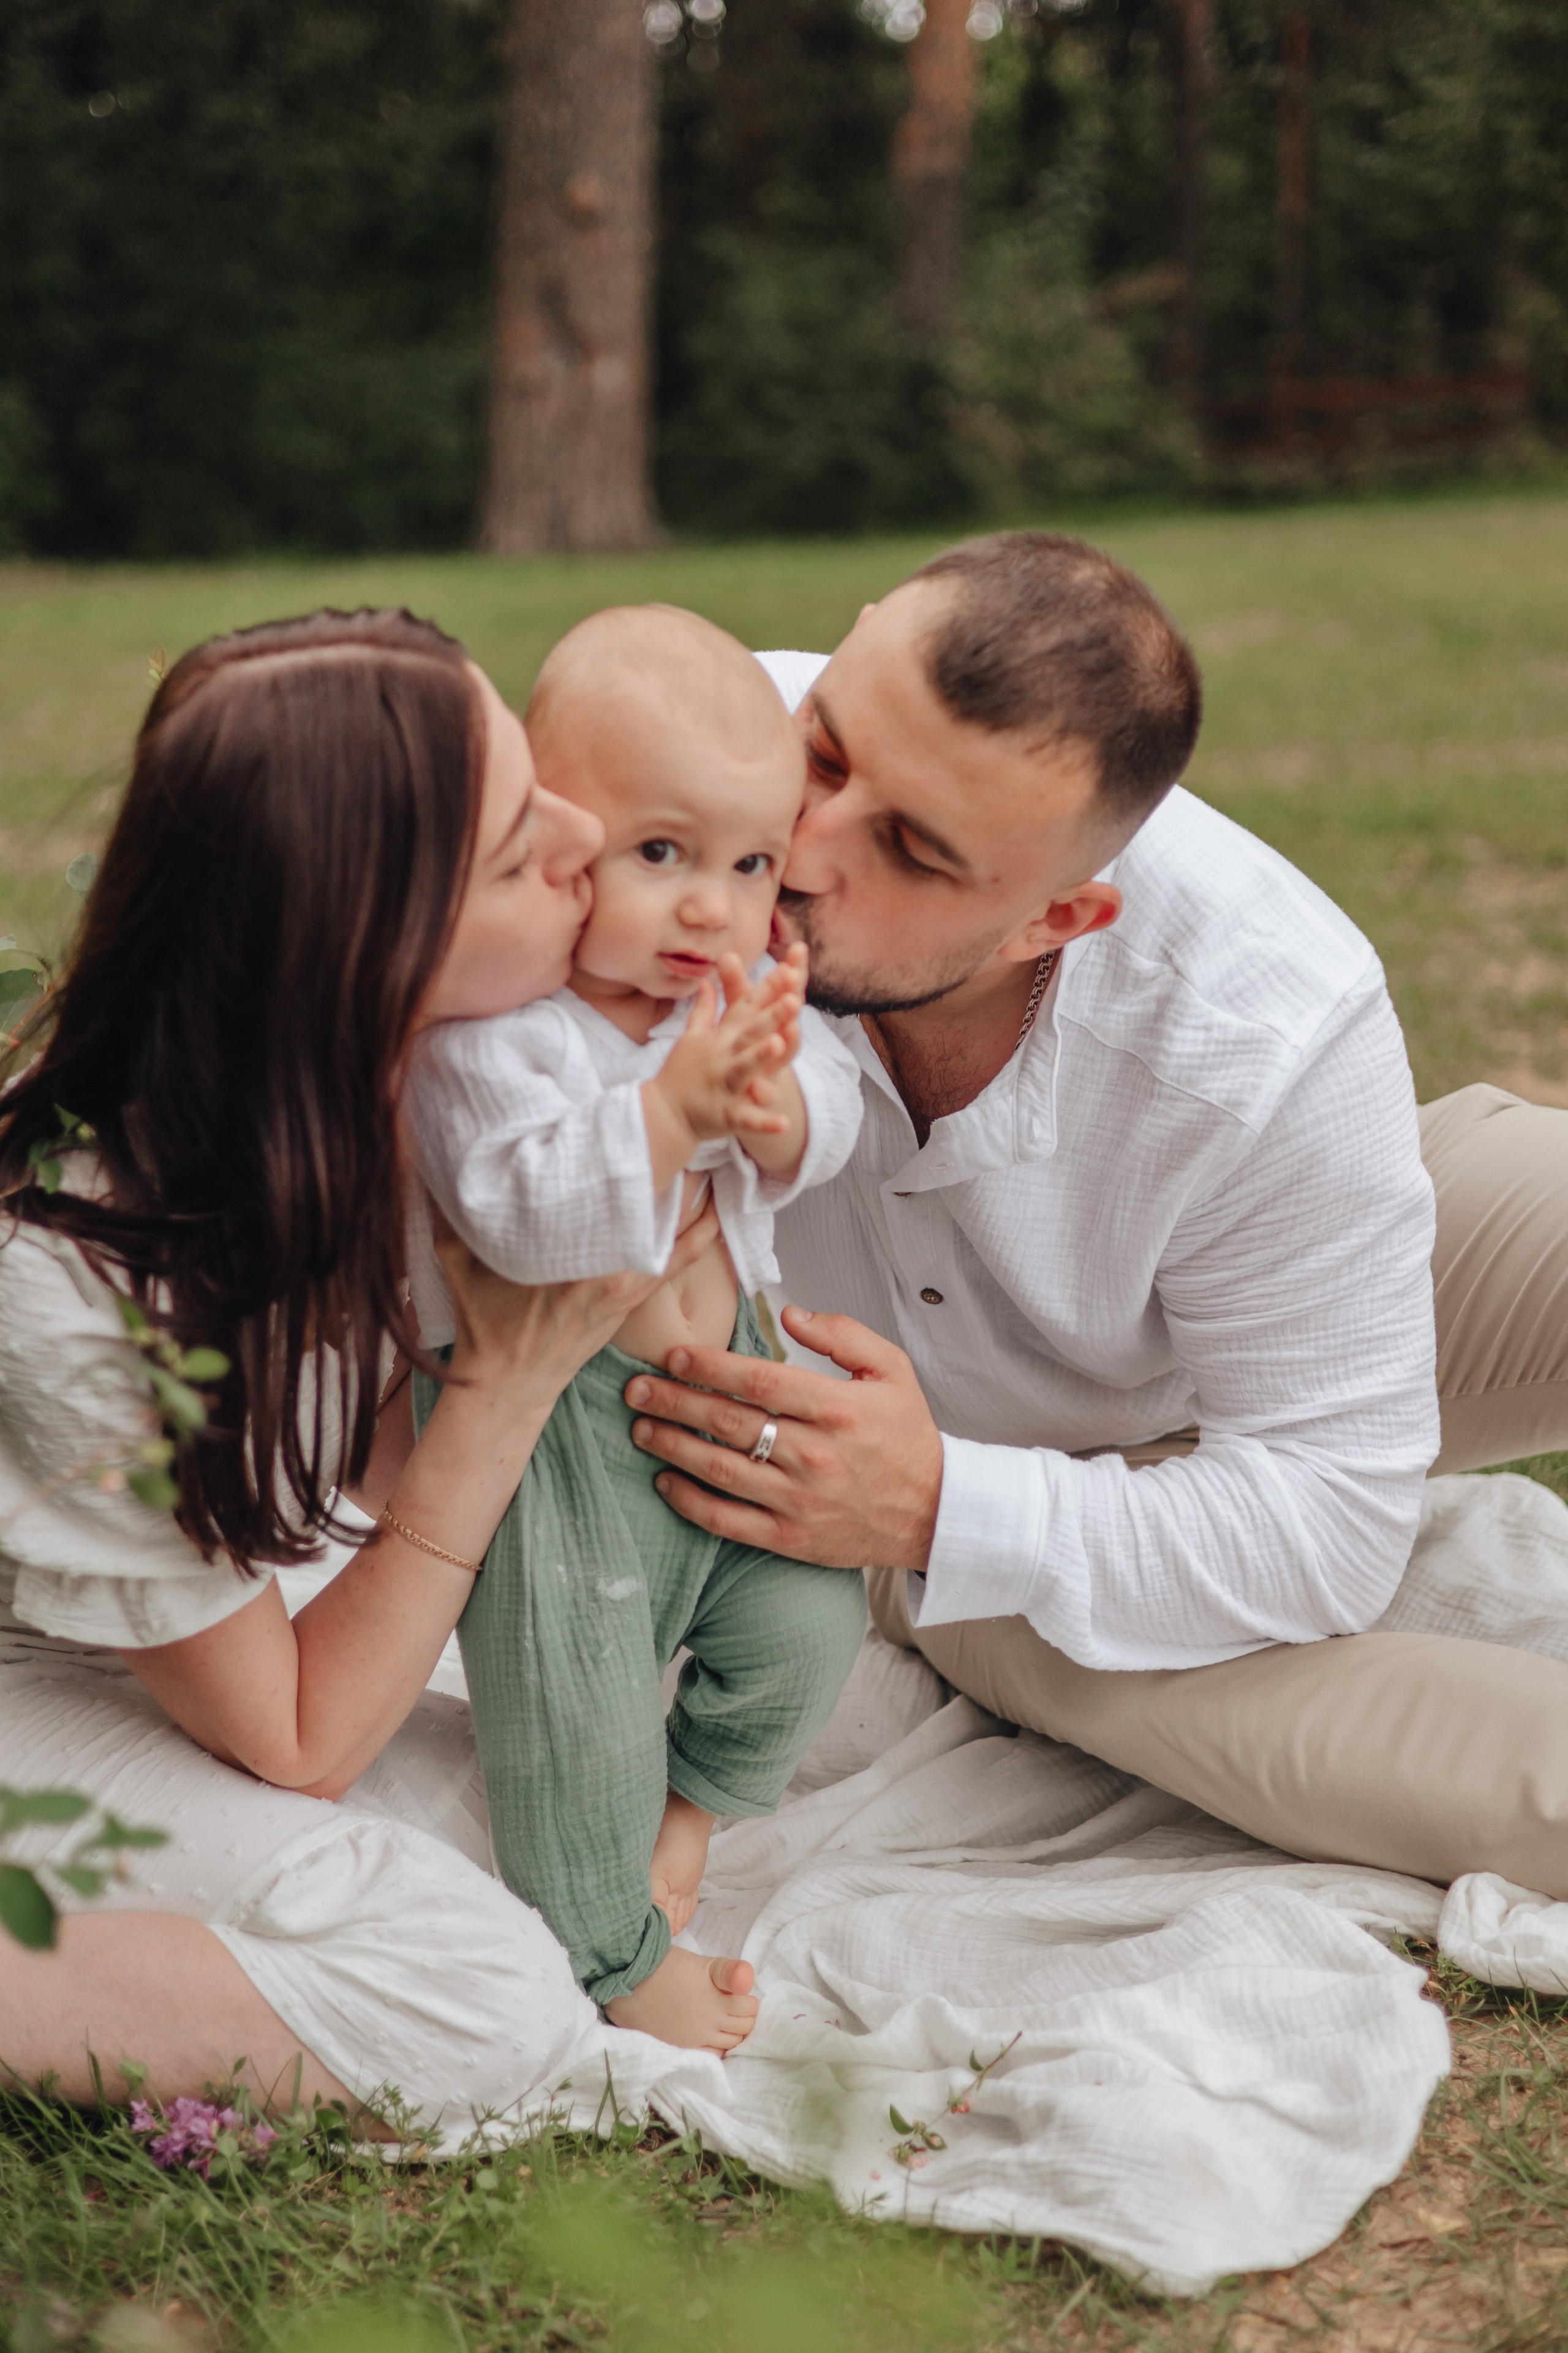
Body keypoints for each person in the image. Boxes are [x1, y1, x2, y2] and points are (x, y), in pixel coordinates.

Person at [618, 530, 1568, 1898]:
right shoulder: (683, 756)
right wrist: (940, 1502)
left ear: (1053, 917)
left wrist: (944, 1494)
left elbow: (1325, 1526)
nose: (802, 850)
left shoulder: (1262, 1012)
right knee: (1414, 1764)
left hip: (1196, 1333)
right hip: (870, 1486)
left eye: (911, 851)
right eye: (826, 754)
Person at [0, 606, 760, 2126]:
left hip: (187, 1641)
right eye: (509, 851)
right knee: (478, 1997)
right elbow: (298, 1740)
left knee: (554, 1809)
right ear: (367, 946)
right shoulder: (70, 1281)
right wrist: (502, 1389)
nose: (578, 833)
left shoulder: (421, 1092)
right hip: (41, 1686)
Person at [404, 606, 867, 2050]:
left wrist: (787, 1110)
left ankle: (698, 1809)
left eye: (751, 865)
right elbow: (517, 1217)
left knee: (812, 1620)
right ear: (553, 845)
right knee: (572, 1718)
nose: (709, 910)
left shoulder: (726, 1000)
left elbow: (833, 1106)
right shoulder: (492, 1033)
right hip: (561, 1446)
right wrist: (670, 1113)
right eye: (657, 854)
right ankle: (610, 1949)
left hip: (742, 1387)